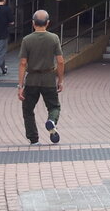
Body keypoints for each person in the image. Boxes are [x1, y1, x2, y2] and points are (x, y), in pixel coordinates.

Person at [16, 10, 64, 145]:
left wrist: (20, 86)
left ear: (33, 23)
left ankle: (34, 139)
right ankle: (52, 121)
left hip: (32, 79)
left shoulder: (27, 40)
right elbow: (60, 61)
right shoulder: (54, 38)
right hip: (49, 78)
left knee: (28, 109)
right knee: (54, 106)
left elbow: (23, 63)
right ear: (48, 23)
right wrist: (60, 80)